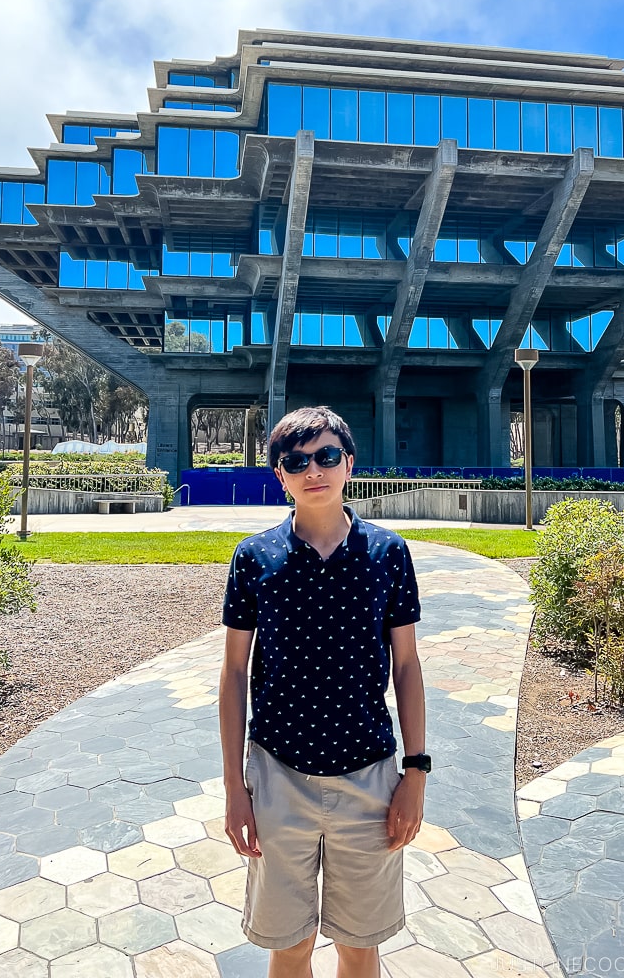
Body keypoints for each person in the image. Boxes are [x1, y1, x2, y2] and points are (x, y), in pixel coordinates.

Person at [219, 405, 429, 978]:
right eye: (296, 461)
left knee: (361, 947)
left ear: (349, 464)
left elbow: (406, 664)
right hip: (278, 776)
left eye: (327, 456)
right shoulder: (254, 557)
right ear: (280, 476)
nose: (314, 469)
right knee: (288, 947)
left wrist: (416, 774)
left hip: (369, 777)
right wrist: (236, 788)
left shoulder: (388, 554)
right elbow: (235, 672)